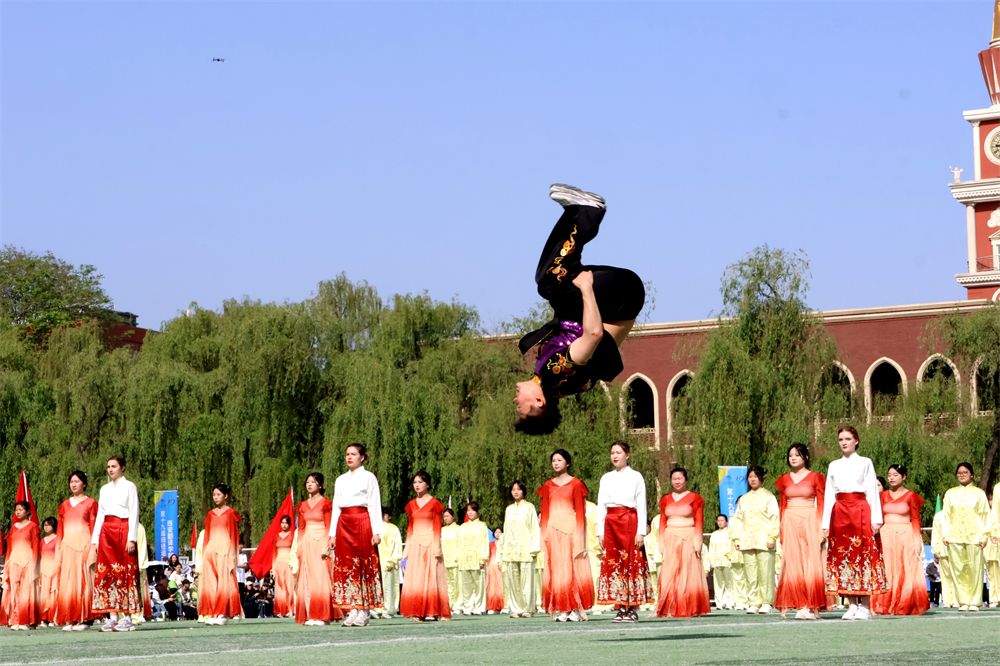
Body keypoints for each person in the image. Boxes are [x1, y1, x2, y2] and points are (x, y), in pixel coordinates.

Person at [514, 184, 645, 435]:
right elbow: (593, 335)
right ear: (539, 402)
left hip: (620, 301)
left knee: (553, 279)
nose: (515, 401)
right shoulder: (556, 373)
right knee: (549, 280)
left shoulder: (556, 383)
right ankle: (587, 211)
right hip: (619, 299)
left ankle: (578, 212)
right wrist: (586, 289)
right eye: (520, 407)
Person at [821, 426, 887, 621]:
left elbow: (872, 491)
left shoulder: (865, 462)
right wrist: (826, 522)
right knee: (844, 557)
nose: (844, 442)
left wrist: (876, 518)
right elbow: (829, 494)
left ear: (856, 441)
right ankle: (850, 604)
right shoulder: (834, 465)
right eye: (841, 439)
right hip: (840, 512)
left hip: (860, 510)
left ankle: (865, 605)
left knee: (864, 555)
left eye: (848, 439)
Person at [327, 443, 384, 627]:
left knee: (362, 565)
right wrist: (332, 533)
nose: (349, 457)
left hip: (362, 522)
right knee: (345, 565)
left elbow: (374, 504)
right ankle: (351, 608)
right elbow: (336, 506)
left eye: (353, 454)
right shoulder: (340, 480)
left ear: (362, 457)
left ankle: (364, 610)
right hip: (344, 523)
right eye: (347, 454)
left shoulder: (369, 477)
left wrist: (376, 531)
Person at [596, 440, 652, 623]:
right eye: (612, 453)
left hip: (629, 521)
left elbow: (641, 505)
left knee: (631, 563)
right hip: (611, 523)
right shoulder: (606, 478)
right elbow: (601, 505)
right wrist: (600, 531)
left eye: (618, 452)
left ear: (627, 455)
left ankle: (632, 608)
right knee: (615, 565)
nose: (615, 456)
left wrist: (641, 531)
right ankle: (620, 607)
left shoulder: (636, 476)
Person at [536, 449, 593, 622]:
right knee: (557, 570)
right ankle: (562, 607)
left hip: (571, 530)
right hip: (553, 532)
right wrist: (544, 535)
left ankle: (575, 607)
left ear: (567, 463)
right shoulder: (547, 486)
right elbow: (545, 512)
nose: (555, 463)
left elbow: (581, 512)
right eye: (553, 460)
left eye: (559, 460)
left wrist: (580, 536)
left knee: (572, 569)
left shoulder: (576, 484)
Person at [773, 443, 827, 620]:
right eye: (790, 455)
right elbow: (782, 505)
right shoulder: (784, 479)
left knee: (811, 562)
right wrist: (782, 528)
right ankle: (800, 603)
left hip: (810, 519)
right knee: (793, 562)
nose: (793, 458)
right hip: (790, 520)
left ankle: (812, 605)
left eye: (797, 455)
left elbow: (822, 504)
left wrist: (822, 528)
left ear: (806, 457)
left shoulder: (816, 477)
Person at [88, 456, 141, 632]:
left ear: (122, 468)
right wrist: (95, 540)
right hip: (107, 531)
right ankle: (112, 616)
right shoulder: (104, 489)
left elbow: (134, 512)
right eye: (108, 466)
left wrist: (132, 537)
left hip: (123, 528)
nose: (110, 469)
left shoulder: (129, 486)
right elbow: (100, 515)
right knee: (107, 572)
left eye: (114, 466)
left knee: (124, 572)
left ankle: (127, 617)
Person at [871, 465, 929, 616]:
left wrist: (917, 540)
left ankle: (904, 603)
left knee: (906, 568)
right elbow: (877, 517)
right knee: (887, 568)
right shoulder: (882, 496)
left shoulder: (911, 496)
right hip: (886, 535)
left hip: (906, 535)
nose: (891, 478)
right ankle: (884, 604)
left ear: (904, 477)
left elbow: (915, 519)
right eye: (889, 475)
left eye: (895, 475)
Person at [655, 467, 710, 618]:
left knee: (688, 572)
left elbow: (699, 520)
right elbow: (662, 521)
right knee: (669, 572)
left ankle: (690, 607)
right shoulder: (665, 499)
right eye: (674, 479)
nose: (677, 481)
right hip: (670, 537)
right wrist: (661, 542)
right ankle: (670, 606)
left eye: (680, 478)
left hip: (689, 537)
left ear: (685, 480)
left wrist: (698, 541)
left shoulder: (695, 498)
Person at [399, 471, 451, 622]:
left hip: (430, 543)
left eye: (420, 482)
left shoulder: (435, 504)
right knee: (417, 578)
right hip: (416, 544)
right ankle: (417, 611)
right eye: (415, 482)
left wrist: (437, 547)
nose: (417, 485)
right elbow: (410, 528)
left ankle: (434, 611)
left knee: (432, 577)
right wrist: (406, 550)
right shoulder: (411, 505)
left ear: (427, 484)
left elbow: (437, 527)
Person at [941, 462, 990, 612]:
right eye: (959, 473)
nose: (962, 475)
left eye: (965, 472)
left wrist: (984, 536)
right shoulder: (950, 493)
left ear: (972, 475)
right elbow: (946, 516)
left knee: (975, 569)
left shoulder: (979, 494)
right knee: (958, 570)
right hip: (954, 536)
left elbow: (985, 515)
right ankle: (963, 601)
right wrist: (945, 534)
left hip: (975, 537)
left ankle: (974, 601)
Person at [731, 466, 779, 615]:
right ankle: (753, 602)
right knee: (750, 573)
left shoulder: (769, 497)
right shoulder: (743, 499)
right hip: (747, 540)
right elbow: (737, 519)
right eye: (750, 477)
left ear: (761, 478)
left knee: (765, 572)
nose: (752, 479)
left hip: (764, 540)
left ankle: (766, 602)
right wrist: (737, 538)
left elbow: (775, 517)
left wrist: (772, 537)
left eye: (755, 476)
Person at [54, 470, 98, 630]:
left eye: (77, 481)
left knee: (83, 580)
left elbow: (94, 526)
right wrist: (59, 548)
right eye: (71, 482)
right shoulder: (64, 505)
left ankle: (85, 619)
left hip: (84, 545)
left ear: (84, 484)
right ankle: (70, 618)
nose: (73, 484)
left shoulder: (91, 503)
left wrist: (94, 546)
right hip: (67, 547)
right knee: (68, 582)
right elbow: (60, 530)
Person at [294, 472, 339, 626]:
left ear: (320, 485)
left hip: (321, 542)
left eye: (312, 482)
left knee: (321, 578)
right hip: (307, 543)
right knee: (307, 578)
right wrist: (299, 546)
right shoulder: (302, 506)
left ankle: (322, 615)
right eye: (307, 482)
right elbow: (301, 528)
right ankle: (310, 614)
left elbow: (329, 526)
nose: (309, 484)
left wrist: (328, 545)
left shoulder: (326, 504)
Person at [198, 483, 242, 626]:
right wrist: (205, 552)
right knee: (210, 583)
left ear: (225, 496)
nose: (215, 497)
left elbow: (234, 534)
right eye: (214, 495)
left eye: (218, 495)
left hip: (225, 550)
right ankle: (213, 612)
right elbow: (207, 534)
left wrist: (233, 554)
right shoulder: (210, 514)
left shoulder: (230, 513)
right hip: (211, 550)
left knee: (224, 582)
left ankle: (223, 612)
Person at [500, 480, 540, 619]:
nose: (516, 492)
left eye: (518, 489)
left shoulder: (529, 507)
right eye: (513, 490)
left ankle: (528, 608)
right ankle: (516, 608)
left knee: (527, 580)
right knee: (513, 580)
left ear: (523, 491)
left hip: (526, 548)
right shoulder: (509, 509)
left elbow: (534, 528)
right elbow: (506, 529)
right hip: (511, 549)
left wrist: (534, 548)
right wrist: (504, 549)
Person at [0, 501, 40, 630]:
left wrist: (35, 563)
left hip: (28, 561)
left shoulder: (33, 526)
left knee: (26, 591)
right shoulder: (13, 528)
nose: (17, 512)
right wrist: (7, 564)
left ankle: (25, 620)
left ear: (28, 512)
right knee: (14, 590)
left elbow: (36, 546)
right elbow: (10, 547)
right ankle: (15, 619)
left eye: (21, 510)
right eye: (16, 510)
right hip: (14, 561)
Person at [457, 501, 490, 615]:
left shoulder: (482, 526)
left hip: (477, 559)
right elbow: (459, 543)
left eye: (473, 510)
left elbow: (485, 543)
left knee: (479, 584)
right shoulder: (462, 527)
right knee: (466, 585)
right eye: (468, 510)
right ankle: (468, 607)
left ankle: (479, 607)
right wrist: (458, 557)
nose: (470, 512)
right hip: (464, 559)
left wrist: (483, 558)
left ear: (477, 512)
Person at [376, 507, 403, 619]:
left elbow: (396, 545)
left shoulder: (393, 528)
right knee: (381, 586)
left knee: (389, 586)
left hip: (387, 561)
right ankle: (380, 609)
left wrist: (392, 560)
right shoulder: (376, 527)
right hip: (379, 561)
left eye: (385, 514)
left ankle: (388, 609)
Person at [708, 515, 735, 610]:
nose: (720, 522)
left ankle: (730, 603)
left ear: (726, 522)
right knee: (718, 583)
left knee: (729, 583)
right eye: (718, 520)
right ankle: (720, 603)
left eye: (722, 520)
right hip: (717, 561)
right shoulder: (714, 534)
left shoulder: (730, 533)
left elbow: (733, 546)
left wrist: (732, 558)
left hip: (728, 561)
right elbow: (711, 548)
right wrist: (711, 561)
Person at [272, 516, 295, 618]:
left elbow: (295, 550)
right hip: (279, 563)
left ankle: (291, 609)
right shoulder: (276, 536)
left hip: (289, 563)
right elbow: (274, 553)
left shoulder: (292, 535)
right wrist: (273, 568)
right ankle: (281, 610)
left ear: (289, 524)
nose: (284, 525)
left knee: (290, 586)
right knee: (279, 587)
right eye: (282, 523)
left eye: (286, 523)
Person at [37, 516, 58, 627]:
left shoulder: (58, 539)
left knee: (54, 592)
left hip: (55, 568)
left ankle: (54, 617)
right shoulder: (42, 541)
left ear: (54, 526)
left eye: (49, 525)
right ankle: (44, 618)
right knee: (44, 593)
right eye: (45, 525)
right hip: (44, 569)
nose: (46, 527)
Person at [441, 508, 460, 610]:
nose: (446, 518)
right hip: (445, 560)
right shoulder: (442, 530)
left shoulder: (458, 529)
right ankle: (448, 605)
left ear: (453, 517)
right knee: (447, 584)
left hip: (456, 560)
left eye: (447, 516)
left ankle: (457, 605)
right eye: (444, 516)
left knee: (457, 583)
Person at [988, 480, 1000, 608]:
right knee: (996, 570)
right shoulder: (998, 488)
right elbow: (995, 512)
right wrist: (994, 532)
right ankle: (996, 598)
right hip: (998, 535)